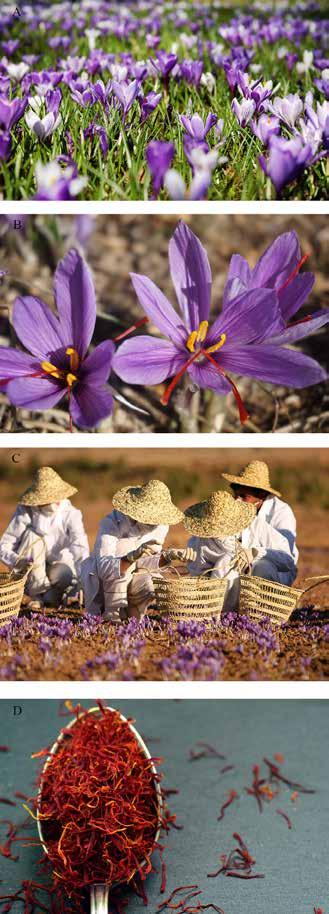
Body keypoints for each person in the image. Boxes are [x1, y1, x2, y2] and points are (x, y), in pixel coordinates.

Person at [81, 479, 184, 622]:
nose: (154, 522)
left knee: (153, 582)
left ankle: (134, 614)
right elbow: (104, 568)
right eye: (150, 518)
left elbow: (146, 565)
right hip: (105, 587)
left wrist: (167, 556)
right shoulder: (111, 524)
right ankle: (112, 611)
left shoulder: (161, 526)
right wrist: (129, 558)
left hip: (136, 578)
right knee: (124, 547)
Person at [0, 466, 89, 607]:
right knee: (32, 536)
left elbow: (80, 549)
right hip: (31, 570)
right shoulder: (26, 510)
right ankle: (35, 594)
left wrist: (84, 582)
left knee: (61, 578)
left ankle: (55, 597)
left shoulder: (71, 514)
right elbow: (4, 545)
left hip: (59, 570)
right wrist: (18, 560)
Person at [221, 460, 299, 586]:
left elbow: (285, 557)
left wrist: (255, 553)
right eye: (236, 495)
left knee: (262, 568)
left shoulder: (281, 512)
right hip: (242, 568)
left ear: (261, 494)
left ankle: (262, 604)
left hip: (276, 571)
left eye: (243, 496)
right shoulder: (234, 510)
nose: (237, 500)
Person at [183, 491, 257, 601]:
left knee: (228, 559)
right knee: (227, 559)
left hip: (239, 592)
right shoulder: (198, 541)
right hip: (209, 593)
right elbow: (196, 573)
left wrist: (253, 552)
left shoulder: (247, 533)